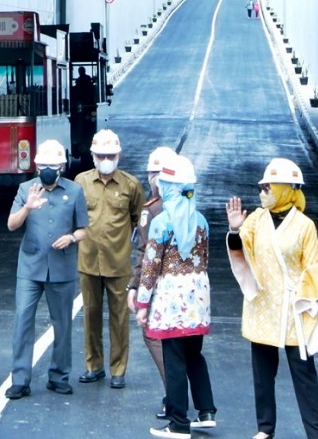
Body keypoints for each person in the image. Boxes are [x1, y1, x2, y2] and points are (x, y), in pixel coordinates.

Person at [225, 158, 318, 439]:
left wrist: (315, 305)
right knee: (262, 373)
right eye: (261, 186)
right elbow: (242, 255)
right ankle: (265, 428)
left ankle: (317, 434)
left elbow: (314, 265)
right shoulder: (256, 220)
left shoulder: (305, 225)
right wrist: (235, 229)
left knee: (304, 375)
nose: (262, 191)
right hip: (262, 304)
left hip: (294, 306)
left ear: (285, 188)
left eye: (268, 186)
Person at [137, 153, 216, 439]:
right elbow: (205, 259)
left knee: (174, 359)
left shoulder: (162, 222)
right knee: (195, 355)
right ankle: (206, 411)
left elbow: (150, 267)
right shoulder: (202, 222)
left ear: (170, 187)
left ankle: (178, 422)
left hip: (171, 299)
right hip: (198, 298)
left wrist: (143, 303)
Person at [4, 140, 88, 400]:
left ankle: (59, 376)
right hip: (30, 266)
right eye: (42, 166)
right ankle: (20, 379)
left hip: (61, 267)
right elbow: (11, 224)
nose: (47, 170)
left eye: (52, 165)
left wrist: (72, 238)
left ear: (62, 166)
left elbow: (84, 228)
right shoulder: (25, 189)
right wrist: (27, 207)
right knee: (22, 320)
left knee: (62, 324)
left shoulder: (74, 192)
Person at [74, 129, 145, 389]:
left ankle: (118, 369)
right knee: (90, 316)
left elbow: (140, 221)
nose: (106, 159)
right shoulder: (80, 182)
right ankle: (94, 366)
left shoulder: (131, 185)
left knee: (119, 319)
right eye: (101, 155)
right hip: (88, 262)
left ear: (119, 156)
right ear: (93, 156)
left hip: (119, 263)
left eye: (111, 155)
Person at [127, 147, 174, 417]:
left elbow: (145, 253)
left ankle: (173, 395)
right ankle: (204, 406)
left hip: (160, 284)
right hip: (189, 287)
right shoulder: (190, 208)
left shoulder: (152, 209)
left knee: (154, 336)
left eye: (153, 174)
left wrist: (136, 287)